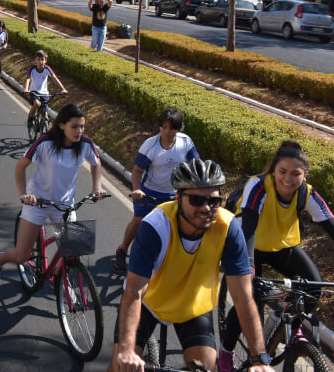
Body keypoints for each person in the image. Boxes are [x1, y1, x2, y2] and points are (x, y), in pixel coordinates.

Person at [109, 159, 271, 372]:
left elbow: (242, 296)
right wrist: (127, 351)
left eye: (214, 202)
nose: (206, 208)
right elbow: (133, 293)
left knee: (205, 368)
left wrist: (259, 358)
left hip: (193, 306)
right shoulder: (156, 226)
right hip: (148, 302)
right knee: (121, 367)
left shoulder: (228, 227)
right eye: (196, 200)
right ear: (178, 198)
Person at [218, 141, 334, 372]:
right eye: (282, 172)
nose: (288, 180)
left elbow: (330, 224)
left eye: (296, 174)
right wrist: (248, 270)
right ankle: (225, 352)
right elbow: (248, 229)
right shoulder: (258, 186)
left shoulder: (306, 193)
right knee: (249, 299)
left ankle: (287, 321)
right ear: (273, 170)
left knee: (313, 287)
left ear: (305, 175)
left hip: (281, 246)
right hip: (249, 245)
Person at [0, 104, 106, 283]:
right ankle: (0, 259)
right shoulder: (44, 143)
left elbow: (96, 164)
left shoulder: (86, 144)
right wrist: (24, 195)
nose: (79, 131)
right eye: (74, 126)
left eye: (82, 126)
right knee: (21, 256)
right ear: (61, 125)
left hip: (64, 205)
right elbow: (20, 168)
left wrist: (97, 187)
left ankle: (65, 288)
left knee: (73, 254)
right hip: (37, 204)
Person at [113, 108, 199, 273]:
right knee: (139, 220)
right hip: (148, 193)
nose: (167, 131)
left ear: (179, 128)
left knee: (178, 225)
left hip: (173, 193)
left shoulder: (186, 142)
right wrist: (137, 190)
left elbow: (196, 166)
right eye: (163, 126)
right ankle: (122, 249)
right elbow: (137, 171)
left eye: (172, 128)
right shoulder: (150, 146)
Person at [23, 50, 68, 122]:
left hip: (44, 93)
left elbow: (55, 78)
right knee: (37, 104)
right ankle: (30, 118)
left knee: (45, 113)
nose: (40, 62)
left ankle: (44, 128)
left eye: (42, 59)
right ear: (35, 60)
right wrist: (26, 89)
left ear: (45, 60)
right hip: (34, 92)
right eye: (38, 59)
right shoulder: (32, 69)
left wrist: (63, 89)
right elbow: (28, 79)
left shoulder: (47, 69)